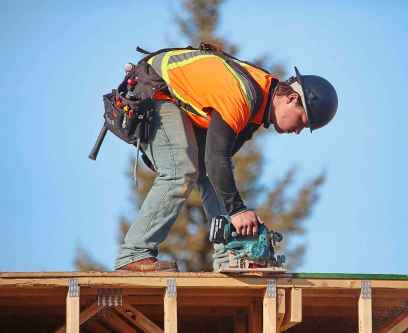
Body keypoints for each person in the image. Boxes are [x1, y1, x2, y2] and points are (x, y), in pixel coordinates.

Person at [114, 46, 338, 272]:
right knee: (180, 170)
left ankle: (230, 256)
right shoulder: (241, 98)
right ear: (291, 98)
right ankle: (134, 253)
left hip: (175, 100)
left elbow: (216, 168)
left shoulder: (258, 108)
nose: (298, 131)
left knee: (213, 175)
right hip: (152, 91)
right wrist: (238, 211)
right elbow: (215, 158)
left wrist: (236, 219)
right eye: (302, 121)